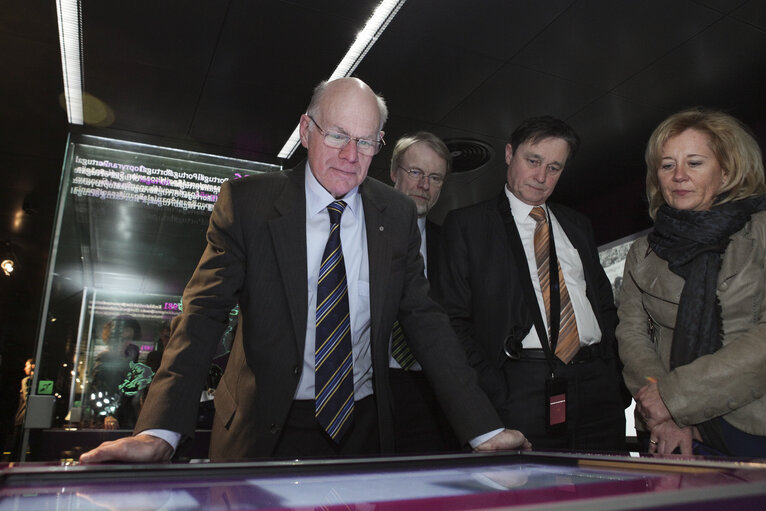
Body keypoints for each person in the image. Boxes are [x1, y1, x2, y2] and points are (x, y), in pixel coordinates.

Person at [80, 77, 529, 464]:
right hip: (263, 429)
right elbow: (202, 316)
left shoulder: (394, 213)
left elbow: (427, 323)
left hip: (364, 427)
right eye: (337, 136)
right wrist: (159, 431)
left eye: (366, 141)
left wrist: (483, 430)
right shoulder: (249, 205)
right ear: (306, 131)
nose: (351, 156)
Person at [435, 116, 626, 451]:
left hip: (598, 386)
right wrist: (494, 390)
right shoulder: (468, 225)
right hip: (521, 389)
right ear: (510, 154)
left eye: (554, 168)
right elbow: (452, 322)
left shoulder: (578, 225)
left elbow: (604, 305)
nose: (541, 177)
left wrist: (614, 378)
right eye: (533, 161)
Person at [616, 108, 766, 457]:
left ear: (726, 171)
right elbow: (633, 336)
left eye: (694, 163)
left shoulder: (761, 232)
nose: (678, 176)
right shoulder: (643, 252)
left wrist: (677, 397)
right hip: (672, 432)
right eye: (667, 165)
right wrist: (665, 415)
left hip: (753, 426)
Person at [388, 132, 459, 453]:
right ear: (393, 173)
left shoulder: (452, 247)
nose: (424, 185)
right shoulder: (354, 230)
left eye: (435, 177)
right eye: (415, 172)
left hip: (433, 392)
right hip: (369, 388)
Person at [89, 315, 146, 430]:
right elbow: (96, 388)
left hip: (128, 418)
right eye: (121, 338)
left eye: (129, 338)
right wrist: (106, 414)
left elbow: (131, 391)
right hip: (110, 421)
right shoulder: (105, 357)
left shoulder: (131, 355)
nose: (125, 342)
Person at [10, 358, 34, 460]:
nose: (25, 368)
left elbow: (27, 397)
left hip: (23, 418)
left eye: (26, 365)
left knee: (16, 449)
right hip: (33, 419)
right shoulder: (41, 380)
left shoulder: (27, 380)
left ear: (33, 366)